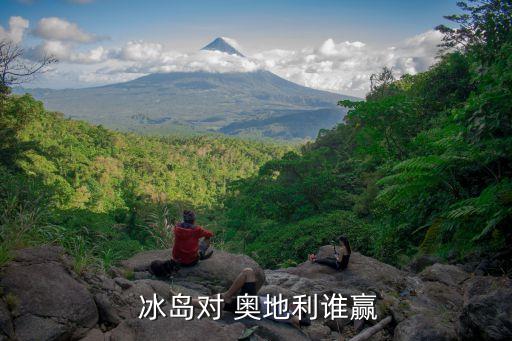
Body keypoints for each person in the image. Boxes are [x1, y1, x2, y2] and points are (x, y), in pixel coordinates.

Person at [170, 267, 311, 329]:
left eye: (296, 307)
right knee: (217, 303)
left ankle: (225, 295)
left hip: (253, 306)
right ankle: (183, 301)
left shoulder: (290, 316)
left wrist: (302, 313)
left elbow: (306, 323)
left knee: (219, 302)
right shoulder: (286, 308)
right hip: (253, 302)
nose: (293, 304)